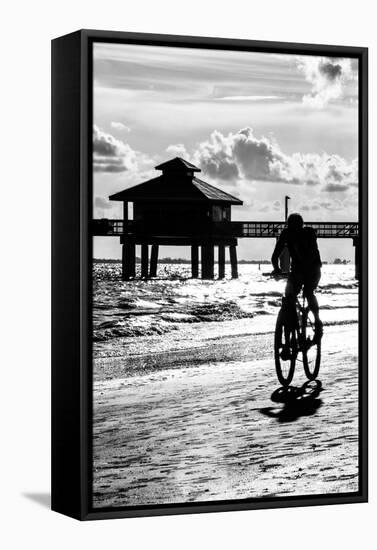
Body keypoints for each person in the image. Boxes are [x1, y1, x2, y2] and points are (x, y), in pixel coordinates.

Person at [271, 213, 323, 357]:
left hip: (312, 269)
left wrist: (303, 271)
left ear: (301, 225)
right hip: (297, 271)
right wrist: (276, 269)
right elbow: (275, 255)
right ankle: (287, 343)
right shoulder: (286, 234)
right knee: (288, 299)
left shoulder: (309, 233)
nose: (294, 229)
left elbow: (312, 253)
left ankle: (317, 323)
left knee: (308, 292)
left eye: (296, 226)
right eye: (291, 226)